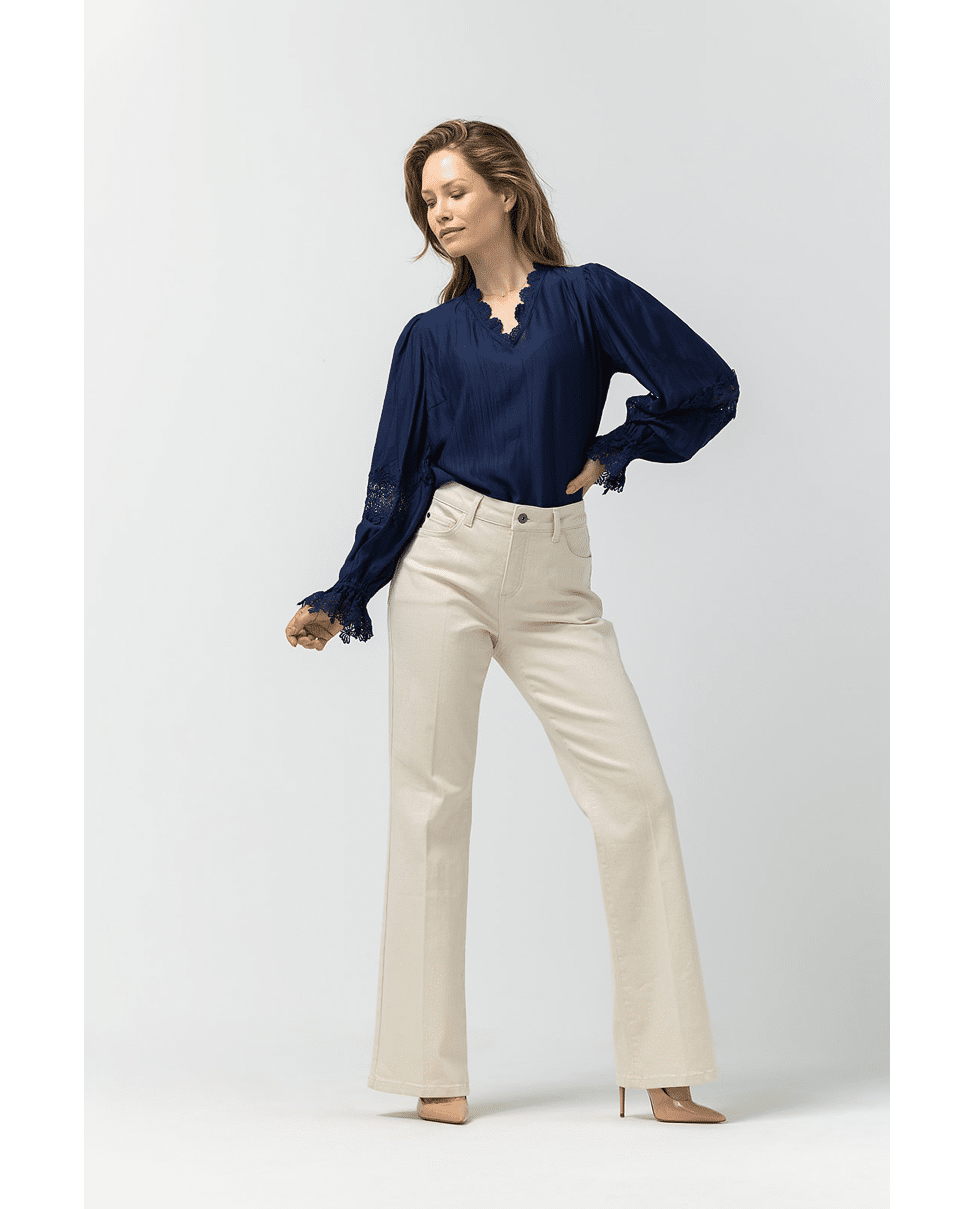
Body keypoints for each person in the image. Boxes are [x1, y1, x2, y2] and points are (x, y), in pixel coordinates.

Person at [285, 119, 738, 1127]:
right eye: (426, 199)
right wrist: (344, 592)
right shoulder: (428, 338)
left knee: (635, 797)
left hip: (554, 572)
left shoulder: (590, 298)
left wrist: (616, 451)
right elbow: (393, 482)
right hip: (443, 561)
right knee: (429, 801)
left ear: (507, 190)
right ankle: (427, 1067)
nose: (439, 211)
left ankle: (665, 1065)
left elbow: (708, 388)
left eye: (454, 190)